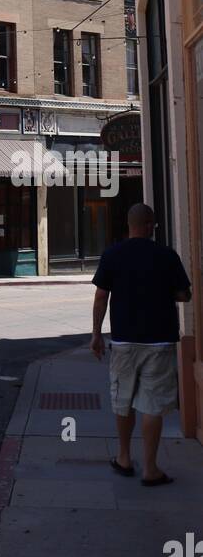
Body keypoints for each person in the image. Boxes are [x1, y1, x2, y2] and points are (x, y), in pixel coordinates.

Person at [91, 203, 192, 486]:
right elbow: (184, 295)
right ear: (148, 225)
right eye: (153, 224)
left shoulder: (113, 254)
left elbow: (101, 297)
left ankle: (124, 458)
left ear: (128, 225)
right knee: (152, 404)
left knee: (123, 401)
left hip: (123, 340)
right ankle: (150, 468)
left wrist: (96, 334)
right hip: (159, 340)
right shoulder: (166, 256)